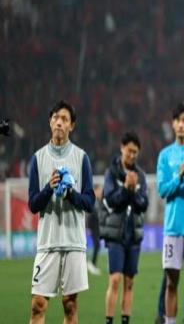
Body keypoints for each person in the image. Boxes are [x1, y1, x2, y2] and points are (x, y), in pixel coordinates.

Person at [28, 100, 95, 324]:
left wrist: (70, 194)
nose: (59, 122)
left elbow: (89, 202)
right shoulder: (38, 158)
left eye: (64, 119)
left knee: (70, 306)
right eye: (56, 117)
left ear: (71, 126)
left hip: (74, 243)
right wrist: (49, 188)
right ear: (50, 122)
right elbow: (33, 205)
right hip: (47, 244)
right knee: (37, 305)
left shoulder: (81, 157)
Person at [101, 131, 149, 324]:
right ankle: (109, 321)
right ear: (122, 148)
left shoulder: (141, 176)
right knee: (114, 279)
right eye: (129, 151)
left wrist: (133, 191)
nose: (132, 155)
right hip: (115, 235)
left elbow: (143, 204)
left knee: (129, 282)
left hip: (133, 235)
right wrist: (126, 189)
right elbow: (110, 200)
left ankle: (125, 321)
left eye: (135, 152)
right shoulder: (111, 173)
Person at [156, 103, 184, 324]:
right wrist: (179, 176)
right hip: (172, 229)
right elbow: (163, 190)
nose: (181, 124)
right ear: (173, 124)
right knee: (171, 283)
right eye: (178, 120)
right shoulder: (165, 155)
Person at [87, 184, 103, 275]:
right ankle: (91, 264)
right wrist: (89, 228)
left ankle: (92, 264)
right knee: (97, 245)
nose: (101, 192)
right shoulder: (93, 201)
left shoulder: (99, 201)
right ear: (95, 191)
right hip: (93, 228)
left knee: (97, 246)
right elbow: (90, 215)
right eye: (99, 190)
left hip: (97, 227)